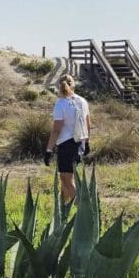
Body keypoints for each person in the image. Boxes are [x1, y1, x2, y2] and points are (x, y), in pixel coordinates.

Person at [45, 74, 91, 203]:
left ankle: (82, 206)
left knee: (66, 179)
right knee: (66, 177)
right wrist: (86, 143)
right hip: (79, 143)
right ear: (74, 85)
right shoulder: (82, 101)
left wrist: (48, 150)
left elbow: (56, 130)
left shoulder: (60, 104)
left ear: (58, 87)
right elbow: (88, 125)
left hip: (66, 144)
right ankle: (63, 208)